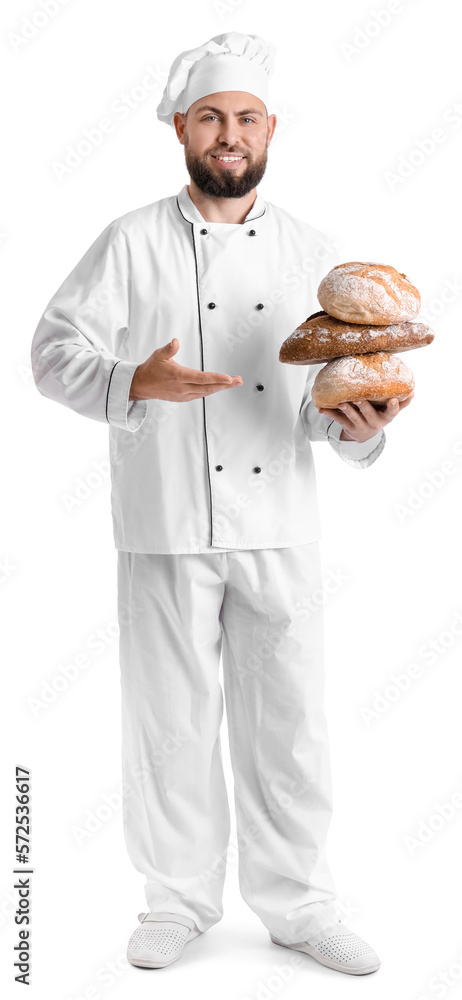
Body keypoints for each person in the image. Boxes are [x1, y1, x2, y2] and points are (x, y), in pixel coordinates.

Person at [31, 30, 413, 977]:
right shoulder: (127, 240)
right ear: (181, 130)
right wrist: (131, 383)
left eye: (244, 117)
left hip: (280, 524)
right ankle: (177, 901)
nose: (229, 134)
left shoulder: (314, 252)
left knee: (291, 720)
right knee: (167, 719)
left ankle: (302, 904)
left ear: (271, 128)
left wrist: (361, 429)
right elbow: (50, 353)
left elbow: (334, 402)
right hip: (161, 526)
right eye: (211, 117)